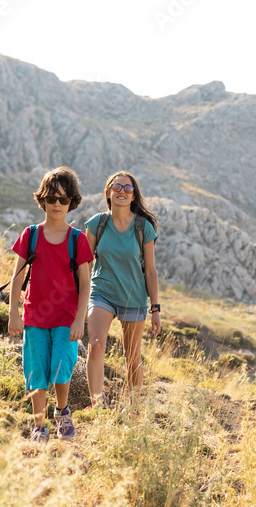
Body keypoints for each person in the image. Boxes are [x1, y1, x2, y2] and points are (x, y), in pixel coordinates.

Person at [7, 166, 93, 443]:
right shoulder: (30, 235)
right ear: (42, 199)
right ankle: (38, 426)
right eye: (52, 198)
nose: (57, 204)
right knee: (36, 371)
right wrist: (13, 314)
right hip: (34, 316)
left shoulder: (77, 240)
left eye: (64, 199)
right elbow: (16, 278)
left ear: (72, 203)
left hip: (66, 318)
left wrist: (81, 319)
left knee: (61, 367)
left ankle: (63, 413)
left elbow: (85, 283)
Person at [84, 170, 161, 410]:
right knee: (95, 345)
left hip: (133, 297)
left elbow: (150, 271)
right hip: (101, 292)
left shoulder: (143, 227)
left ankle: (135, 409)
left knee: (132, 358)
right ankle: (98, 405)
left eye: (128, 188)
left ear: (134, 196)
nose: (122, 192)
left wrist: (155, 308)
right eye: (117, 187)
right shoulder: (97, 223)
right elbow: (85, 264)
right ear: (108, 192)